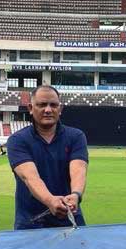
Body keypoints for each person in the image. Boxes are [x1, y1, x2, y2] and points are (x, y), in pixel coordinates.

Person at [6, 85, 88, 229]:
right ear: (31, 108)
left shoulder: (76, 136)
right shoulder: (18, 140)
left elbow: (79, 169)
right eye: (42, 105)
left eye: (53, 105)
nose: (48, 110)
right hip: (31, 223)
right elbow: (30, 177)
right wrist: (49, 200)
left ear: (60, 109)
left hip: (70, 219)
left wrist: (76, 194)